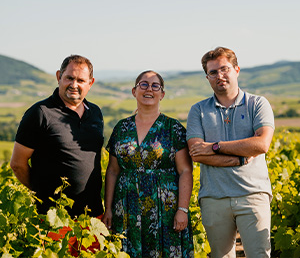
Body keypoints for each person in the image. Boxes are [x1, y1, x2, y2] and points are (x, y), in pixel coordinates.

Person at [186, 47, 274, 258]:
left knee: (259, 255)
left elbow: (261, 144)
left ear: (236, 69)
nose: (220, 76)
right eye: (213, 72)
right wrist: (240, 158)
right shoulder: (198, 110)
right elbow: (197, 153)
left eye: (224, 69)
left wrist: (215, 147)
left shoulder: (258, 104)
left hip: (253, 195)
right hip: (214, 198)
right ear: (207, 77)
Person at [102, 70, 194, 258]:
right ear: (134, 91)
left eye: (155, 86)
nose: (149, 89)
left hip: (165, 211)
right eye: (143, 84)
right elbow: (112, 171)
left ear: (162, 94)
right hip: (126, 208)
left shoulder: (173, 128)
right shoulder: (121, 127)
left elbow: (185, 170)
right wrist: (108, 208)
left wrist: (182, 210)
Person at [10, 55, 104, 218]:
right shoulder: (40, 113)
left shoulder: (95, 112)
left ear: (90, 83)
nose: (74, 85)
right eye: (69, 78)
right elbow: (18, 164)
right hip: (54, 218)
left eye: (81, 80)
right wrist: (42, 193)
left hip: (93, 216)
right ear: (59, 77)